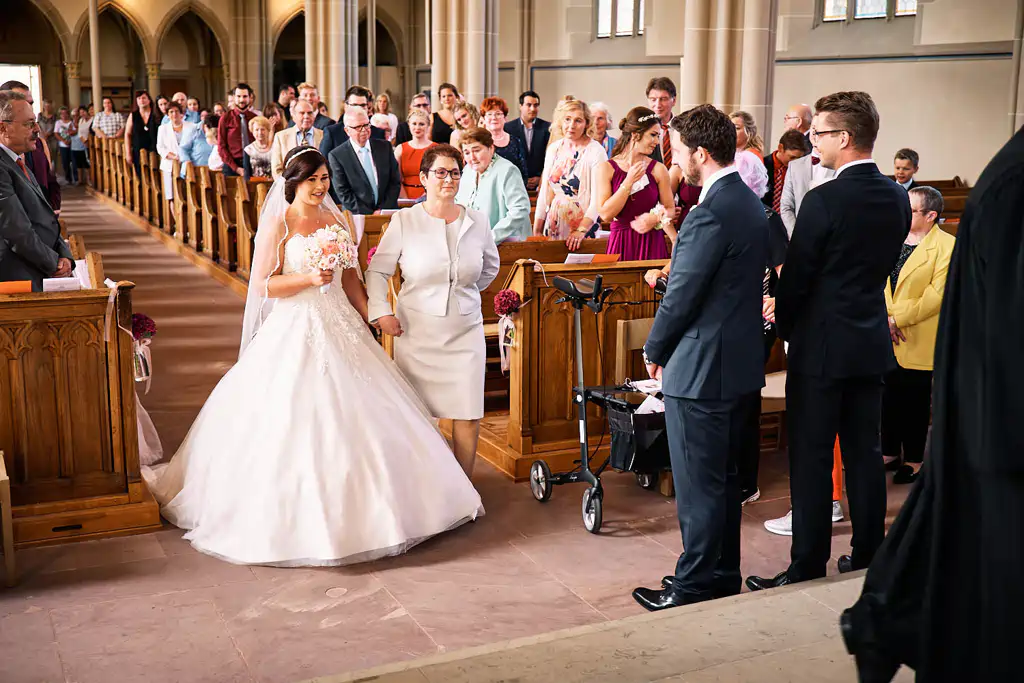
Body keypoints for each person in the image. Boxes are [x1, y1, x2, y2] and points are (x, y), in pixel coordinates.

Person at [141, 146, 483, 565]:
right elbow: (263, 284)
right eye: (311, 180)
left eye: (324, 179)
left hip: (340, 322)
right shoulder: (279, 223)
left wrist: (372, 316)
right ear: (294, 183)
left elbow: (353, 277)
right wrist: (306, 277)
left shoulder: (336, 220)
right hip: (296, 325)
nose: (320, 187)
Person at [840, 125, 1024, 683]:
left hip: (961, 390)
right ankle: (885, 615)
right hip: (999, 427)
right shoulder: (1014, 185)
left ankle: (883, 617)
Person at [746, 91, 911, 592]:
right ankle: (867, 554)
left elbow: (796, 278)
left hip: (820, 344)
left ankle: (807, 564)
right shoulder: (897, 196)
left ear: (844, 137)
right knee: (864, 451)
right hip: (868, 341)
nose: (812, 143)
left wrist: (787, 326)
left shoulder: (824, 199)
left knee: (812, 455)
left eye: (818, 134)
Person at [631, 104, 767, 610]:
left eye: (678, 150)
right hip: (737, 364)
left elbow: (683, 292)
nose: (675, 158)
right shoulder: (749, 202)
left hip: (702, 368)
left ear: (701, 153)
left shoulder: (711, 210)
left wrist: (654, 347)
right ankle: (722, 576)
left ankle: (691, 585)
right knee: (725, 482)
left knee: (698, 486)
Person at [366, 144, 500, 476]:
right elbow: (377, 271)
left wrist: (462, 293)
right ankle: (426, 485)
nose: (448, 179)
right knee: (418, 413)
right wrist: (382, 312)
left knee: (468, 412)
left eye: (455, 172)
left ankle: (464, 487)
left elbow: (490, 268)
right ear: (424, 177)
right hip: (416, 332)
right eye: (440, 172)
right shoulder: (405, 221)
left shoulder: (478, 221)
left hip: (465, 330)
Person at [881, 186, 954, 485]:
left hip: (919, 333)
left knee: (914, 399)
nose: (903, 213)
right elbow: (878, 279)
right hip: (886, 329)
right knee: (887, 396)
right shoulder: (892, 237)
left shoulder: (947, 246)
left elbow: (935, 296)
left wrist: (896, 318)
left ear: (931, 215)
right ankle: (887, 451)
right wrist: (885, 318)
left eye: (911, 210)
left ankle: (913, 458)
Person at [0, 90, 74, 291]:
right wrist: (53, 262)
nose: (37, 129)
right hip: (17, 277)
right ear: (3, 128)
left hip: (36, 267)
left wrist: (65, 255)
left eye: (35, 122)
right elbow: (17, 231)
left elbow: (45, 217)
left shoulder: (18, 159)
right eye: (28, 124)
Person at [594, 106, 675, 261]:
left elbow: (670, 209)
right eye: (652, 135)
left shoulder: (658, 169)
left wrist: (655, 218)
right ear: (635, 134)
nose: (656, 142)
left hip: (652, 241)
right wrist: (628, 181)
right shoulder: (607, 168)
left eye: (658, 136)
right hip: (621, 241)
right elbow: (606, 214)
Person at [534, 97, 606, 243]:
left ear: (586, 124)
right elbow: (544, 193)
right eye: (567, 119)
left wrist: (582, 230)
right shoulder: (554, 148)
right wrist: (537, 228)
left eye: (578, 120)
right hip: (554, 222)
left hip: (583, 226)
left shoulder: (595, 151)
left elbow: (597, 199)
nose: (571, 125)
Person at [456, 127, 532, 243]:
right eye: (467, 152)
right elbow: (459, 204)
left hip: (506, 244)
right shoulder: (467, 171)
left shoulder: (507, 170)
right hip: (473, 242)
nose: (472, 157)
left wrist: (490, 238)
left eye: (476, 150)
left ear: (491, 148)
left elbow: (520, 209)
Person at [327, 107, 401, 213]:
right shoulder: (337, 156)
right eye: (358, 127)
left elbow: (395, 181)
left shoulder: (385, 147)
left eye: (366, 125)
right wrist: (370, 214)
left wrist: (382, 210)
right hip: (357, 216)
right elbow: (343, 192)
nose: (364, 130)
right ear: (347, 130)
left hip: (386, 213)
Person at [1, 82, 60, 211]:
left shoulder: (39, 144)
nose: (27, 106)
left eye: (31, 103)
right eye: (21, 101)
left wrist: (53, 212)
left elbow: (50, 181)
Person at [319, 85, 386, 164]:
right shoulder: (332, 133)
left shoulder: (378, 133)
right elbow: (323, 163)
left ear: (368, 107)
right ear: (346, 106)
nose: (359, 109)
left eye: (363, 105)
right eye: (354, 105)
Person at [156, 101, 196, 222]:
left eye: (176, 111)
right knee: (172, 196)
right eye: (171, 112)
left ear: (181, 113)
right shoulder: (163, 128)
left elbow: (195, 145)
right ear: (167, 114)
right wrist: (173, 156)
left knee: (187, 194)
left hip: (187, 164)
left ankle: (190, 224)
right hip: (169, 165)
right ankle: (179, 224)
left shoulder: (191, 126)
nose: (174, 114)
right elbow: (160, 147)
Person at [504, 90, 550, 191]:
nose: (533, 109)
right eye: (528, 105)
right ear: (520, 106)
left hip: (541, 183)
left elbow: (550, 157)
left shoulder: (548, 128)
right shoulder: (508, 128)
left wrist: (541, 178)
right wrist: (522, 178)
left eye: (536, 105)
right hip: (515, 182)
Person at [479, 97, 528, 187]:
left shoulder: (515, 141)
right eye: (489, 114)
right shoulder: (479, 142)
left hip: (512, 190)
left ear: (505, 118)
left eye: (498, 114)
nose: (494, 117)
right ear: (483, 118)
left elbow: (523, 173)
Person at [762, 129, 812, 213]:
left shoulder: (802, 169)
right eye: (792, 157)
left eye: (799, 158)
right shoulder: (762, 165)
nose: (795, 162)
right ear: (780, 148)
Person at [271, 100, 322, 180]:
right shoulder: (281, 137)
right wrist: (288, 188)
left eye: (310, 113)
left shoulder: (324, 135)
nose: (306, 116)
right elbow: (276, 169)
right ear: (293, 116)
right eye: (302, 113)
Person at [217, 82, 258, 177]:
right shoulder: (225, 118)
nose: (241, 100)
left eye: (244, 96)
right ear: (234, 97)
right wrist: (236, 168)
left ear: (250, 97)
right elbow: (221, 146)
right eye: (238, 96)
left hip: (253, 163)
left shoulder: (255, 118)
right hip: (232, 165)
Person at [394, 108, 435, 200]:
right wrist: (406, 200)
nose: (417, 127)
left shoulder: (436, 149)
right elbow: (396, 179)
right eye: (414, 124)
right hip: (405, 198)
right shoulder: (400, 149)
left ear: (428, 126)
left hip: (430, 197)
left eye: (421, 124)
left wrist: (426, 196)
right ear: (409, 125)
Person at [124, 90, 159, 174]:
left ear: (149, 100)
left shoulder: (155, 114)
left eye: (144, 98)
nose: (141, 100)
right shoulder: (133, 115)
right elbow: (128, 134)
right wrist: (128, 153)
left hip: (155, 149)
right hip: (138, 150)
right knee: (140, 175)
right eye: (139, 98)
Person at [645, 77, 676, 165]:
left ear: (674, 100)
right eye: (653, 100)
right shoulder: (642, 130)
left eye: (663, 99)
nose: (658, 105)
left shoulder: (684, 128)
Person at [53, 106, 76, 185]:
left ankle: (75, 178)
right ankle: (68, 178)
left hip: (73, 145)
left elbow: (75, 131)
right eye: (62, 113)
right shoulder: (58, 122)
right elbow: (56, 133)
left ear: (67, 113)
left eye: (65, 113)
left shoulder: (71, 122)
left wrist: (70, 139)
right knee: (65, 162)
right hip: (63, 145)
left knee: (74, 162)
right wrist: (64, 141)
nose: (63, 114)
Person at [73, 106, 91, 186]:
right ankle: (80, 180)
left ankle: (89, 180)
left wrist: (88, 141)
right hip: (83, 143)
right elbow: (79, 132)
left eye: (83, 112)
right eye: (80, 113)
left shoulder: (92, 119)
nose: (82, 114)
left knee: (88, 163)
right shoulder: (81, 120)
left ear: (87, 111)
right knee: (80, 162)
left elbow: (91, 131)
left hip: (91, 143)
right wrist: (83, 140)